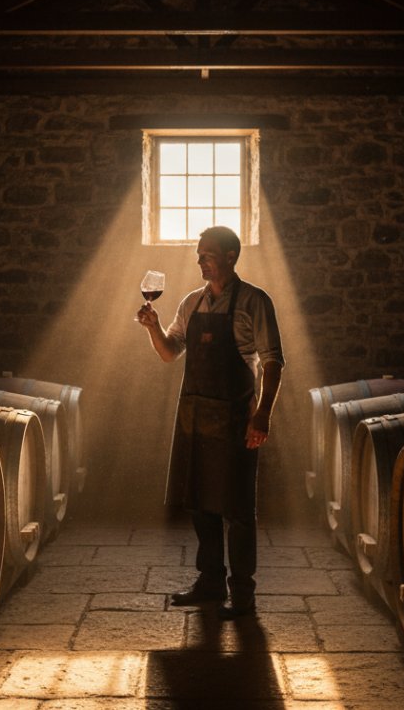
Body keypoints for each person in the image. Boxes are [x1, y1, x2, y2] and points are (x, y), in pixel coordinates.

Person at [136, 225, 284, 619]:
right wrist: (153, 328)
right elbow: (170, 352)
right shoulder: (191, 303)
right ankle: (210, 581)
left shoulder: (254, 301)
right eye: (199, 255)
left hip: (236, 418)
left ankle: (243, 593)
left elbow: (273, 361)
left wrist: (263, 414)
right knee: (200, 503)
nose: (200, 260)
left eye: (208, 255)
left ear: (231, 257)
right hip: (195, 417)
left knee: (237, 509)